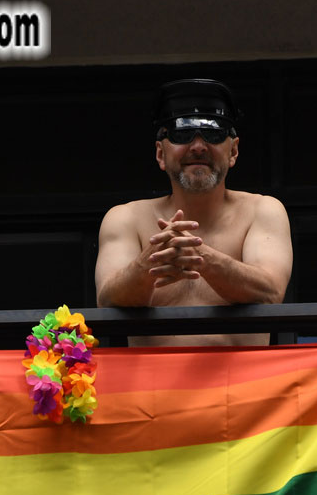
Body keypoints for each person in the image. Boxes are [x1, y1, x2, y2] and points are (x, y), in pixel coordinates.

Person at [94, 79, 293, 346]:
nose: (198, 146)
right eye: (181, 134)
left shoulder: (263, 210)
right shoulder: (125, 218)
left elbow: (270, 293)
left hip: (243, 372)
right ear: (160, 154)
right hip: (153, 373)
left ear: (233, 151)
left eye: (213, 134)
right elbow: (107, 300)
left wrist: (201, 257)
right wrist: (150, 263)